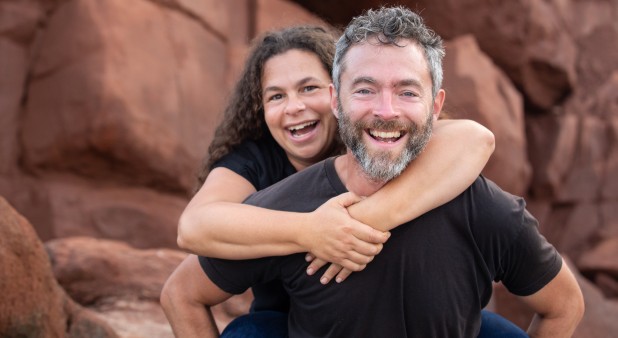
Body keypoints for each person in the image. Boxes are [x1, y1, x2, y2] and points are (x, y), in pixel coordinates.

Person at [159, 21, 531, 336]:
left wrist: (365, 222)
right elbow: (194, 227)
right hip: (288, 316)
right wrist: (313, 231)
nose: (294, 107)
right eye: (275, 96)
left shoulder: (374, 135)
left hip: (402, 307)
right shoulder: (255, 160)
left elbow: (473, 139)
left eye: (309, 88)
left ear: (339, 95)